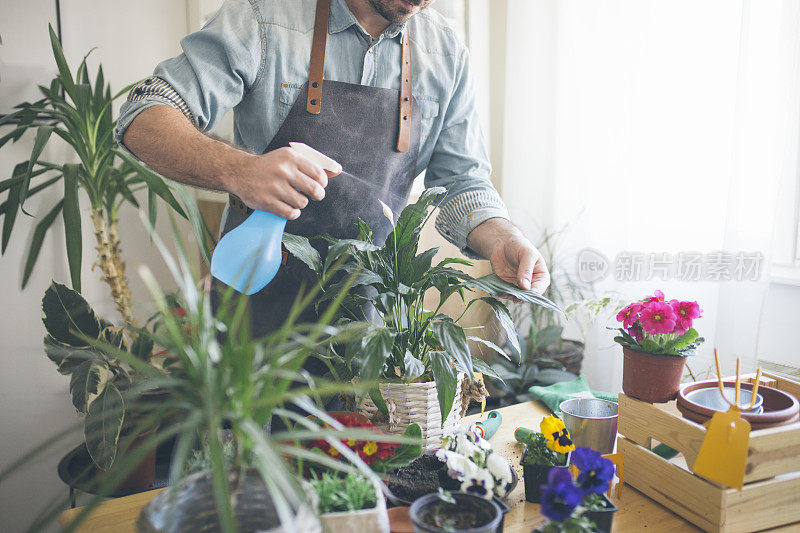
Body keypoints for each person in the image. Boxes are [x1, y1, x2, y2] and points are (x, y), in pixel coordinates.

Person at [116, 0, 550, 339]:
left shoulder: (446, 52)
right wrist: (240, 170)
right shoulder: (264, 20)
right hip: (255, 313)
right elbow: (145, 113)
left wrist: (504, 239)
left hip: (370, 323)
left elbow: (462, 182)